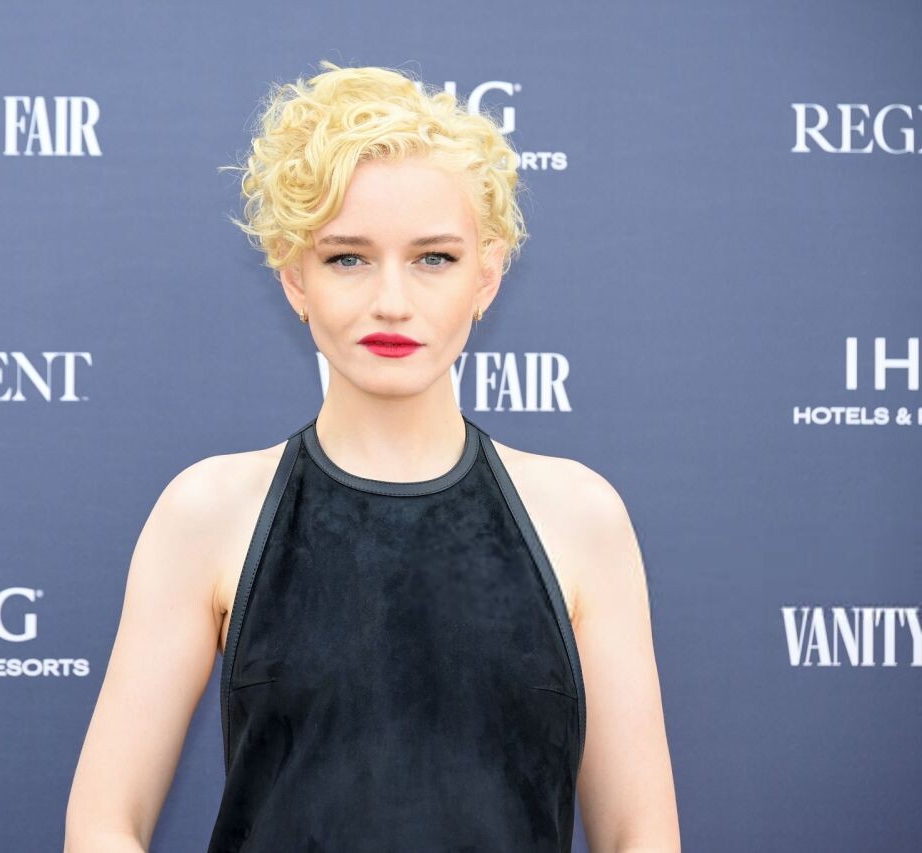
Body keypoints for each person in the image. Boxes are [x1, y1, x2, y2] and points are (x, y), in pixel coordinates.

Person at [64, 60, 679, 852]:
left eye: (434, 258)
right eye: (347, 257)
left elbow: (640, 834)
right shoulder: (209, 512)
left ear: (487, 276)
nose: (392, 301)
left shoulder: (580, 516)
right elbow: (103, 823)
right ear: (295, 277)